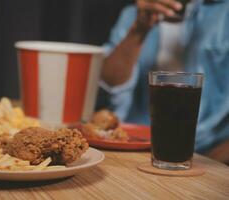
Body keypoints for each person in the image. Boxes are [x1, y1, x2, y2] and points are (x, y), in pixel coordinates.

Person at [97, 0, 229, 162]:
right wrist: (139, 29)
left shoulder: (224, 13)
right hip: (135, 146)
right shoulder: (132, 14)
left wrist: (212, 162)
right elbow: (109, 87)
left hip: (207, 152)